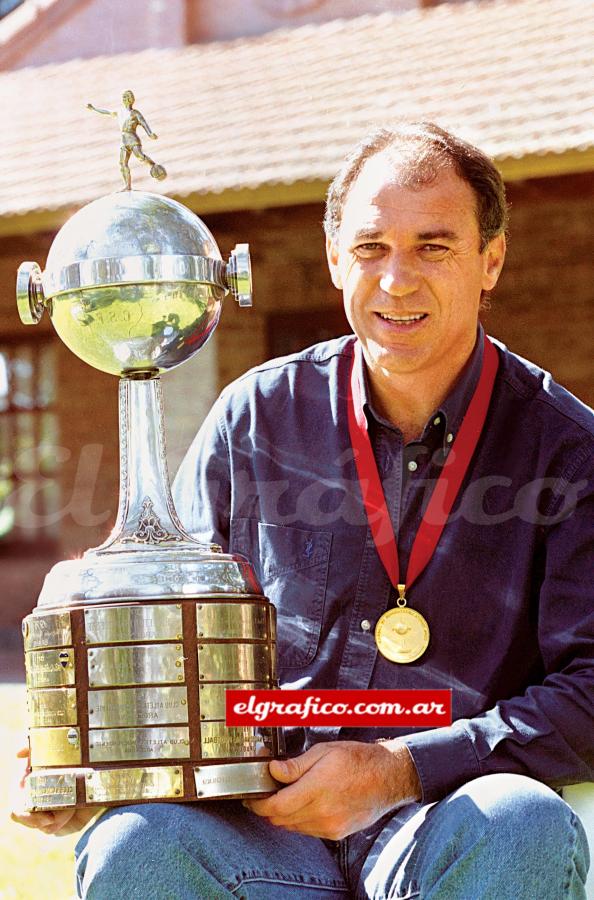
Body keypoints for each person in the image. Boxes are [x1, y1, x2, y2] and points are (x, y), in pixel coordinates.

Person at [14, 123, 592, 898]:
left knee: (523, 822)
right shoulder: (256, 416)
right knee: (135, 844)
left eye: (433, 246)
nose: (396, 280)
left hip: (443, 821)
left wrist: (400, 769)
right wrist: (97, 751)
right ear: (332, 260)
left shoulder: (569, 450)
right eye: (370, 248)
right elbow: (178, 633)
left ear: (490, 261)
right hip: (266, 826)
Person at [87, 90, 167, 190]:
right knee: (122, 163)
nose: (124, 99)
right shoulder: (119, 112)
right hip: (124, 141)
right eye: (123, 97)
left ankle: (153, 165)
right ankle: (127, 185)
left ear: (131, 99)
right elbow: (107, 112)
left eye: (126, 97)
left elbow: (143, 123)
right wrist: (94, 109)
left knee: (140, 156)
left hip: (132, 139)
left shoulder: (135, 113)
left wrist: (150, 133)